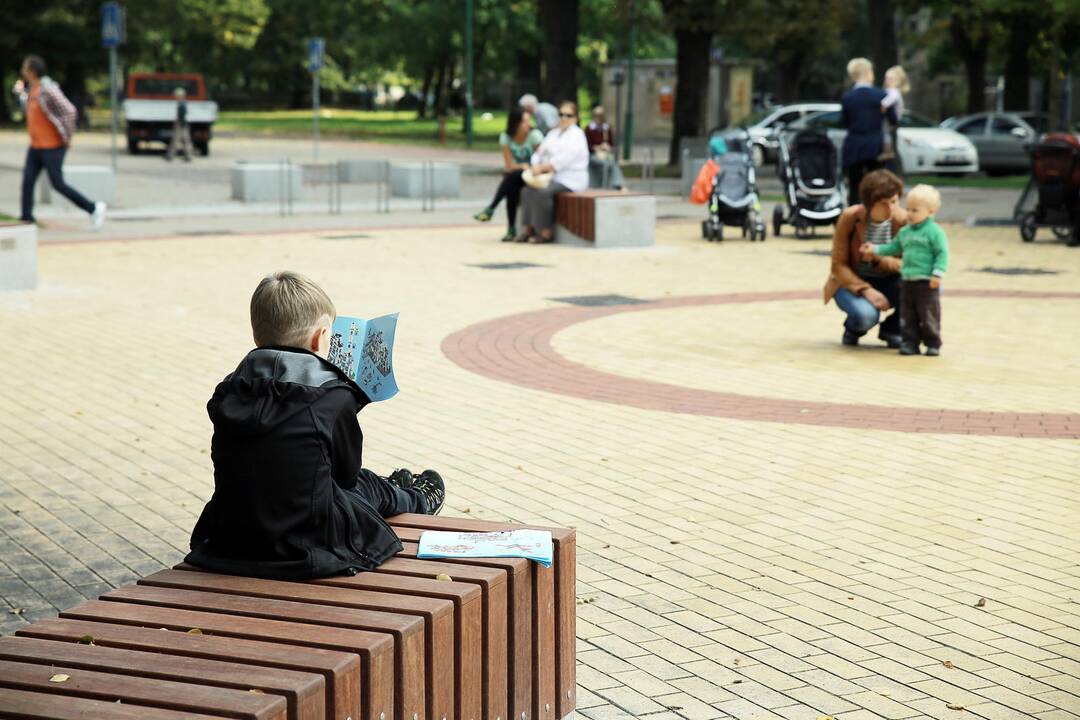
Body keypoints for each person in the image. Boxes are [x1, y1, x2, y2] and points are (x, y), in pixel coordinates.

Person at [186, 271, 446, 580]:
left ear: (258, 335)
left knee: (329, 480)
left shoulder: (230, 390)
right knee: (366, 484)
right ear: (320, 337)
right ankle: (417, 498)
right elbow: (346, 476)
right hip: (306, 545)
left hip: (235, 536)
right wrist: (349, 401)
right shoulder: (331, 398)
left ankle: (397, 488)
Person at [13, 55, 106, 230]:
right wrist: (20, 95)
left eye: (25, 68)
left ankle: (93, 208)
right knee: (28, 181)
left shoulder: (47, 89)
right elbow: (29, 113)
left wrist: (67, 137)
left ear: (32, 71)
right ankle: (27, 219)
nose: (22, 71)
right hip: (36, 146)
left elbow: (70, 112)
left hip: (53, 146)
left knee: (58, 184)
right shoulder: (32, 90)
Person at [861, 184, 949, 356]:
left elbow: (942, 254)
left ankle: (933, 343)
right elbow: (893, 248)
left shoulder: (935, 232)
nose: (909, 213)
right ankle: (910, 342)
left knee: (928, 314)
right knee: (908, 315)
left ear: (931, 211)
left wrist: (938, 273)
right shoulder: (905, 232)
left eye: (915, 210)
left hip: (926, 281)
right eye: (908, 209)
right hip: (907, 281)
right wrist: (875, 249)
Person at [823, 169, 907, 348]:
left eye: (894, 201)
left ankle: (893, 329)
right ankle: (854, 328)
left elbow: (910, 263)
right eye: (884, 203)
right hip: (852, 283)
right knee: (866, 316)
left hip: (890, 280)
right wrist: (866, 290)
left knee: (926, 286)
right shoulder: (850, 217)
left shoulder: (904, 221)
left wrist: (878, 258)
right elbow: (838, 266)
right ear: (869, 204)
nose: (891, 208)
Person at [516, 100, 590, 244]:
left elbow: (564, 160)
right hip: (549, 176)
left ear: (575, 118)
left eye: (568, 115)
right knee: (526, 191)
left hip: (570, 179)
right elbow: (539, 152)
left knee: (543, 192)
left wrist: (542, 168)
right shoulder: (553, 133)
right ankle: (528, 229)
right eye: (561, 114)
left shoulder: (577, 135)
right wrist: (536, 164)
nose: (563, 118)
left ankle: (545, 231)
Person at [473, 107, 544, 241]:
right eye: (524, 121)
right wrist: (522, 166)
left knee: (510, 178)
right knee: (512, 184)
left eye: (529, 121)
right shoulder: (506, 137)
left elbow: (542, 159)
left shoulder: (535, 135)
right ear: (515, 123)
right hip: (517, 175)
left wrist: (526, 167)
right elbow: (509, 165)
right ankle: (510, 228)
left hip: (534, 175)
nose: (527, 124)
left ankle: (492, 210)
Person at [840, 57, 898, 205]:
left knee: (854, 187)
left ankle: (855, 221)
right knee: (876, 186)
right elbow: (893, 119)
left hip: (853, 146)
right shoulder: (881, 95)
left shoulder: (848, 97)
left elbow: (844, 122)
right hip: (875, 147)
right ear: (868, 72)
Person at [584, 105, 625, 189]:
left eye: (600, 116)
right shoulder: (589, 129)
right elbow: (587, 146)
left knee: (611, 162)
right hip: (593, 154)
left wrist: (607, 147)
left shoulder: (606, 128)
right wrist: (597, 148)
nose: (598, 118)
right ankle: (616, 184)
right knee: (606, 164)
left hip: (605, 154)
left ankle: (617, 184)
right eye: (597, 116)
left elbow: (611, 144)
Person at [878, 65, 910, 163]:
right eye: (886, 78)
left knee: (885, 133)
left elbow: (885, 103)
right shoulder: (890, 91)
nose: (887, 80)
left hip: (892, 119)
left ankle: (888, 151)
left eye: (890, 79)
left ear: (898, 81)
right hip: (891, 119)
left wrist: (881, 106)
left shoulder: (894, 92)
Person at [165, 87, 194, 162]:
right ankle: (188, 155)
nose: (175, 97)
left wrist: (178, 123)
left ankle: (171, 155)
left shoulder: (181, 103)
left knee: (176, 139)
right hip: (183, 124)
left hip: (181, 124)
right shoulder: (183, 102)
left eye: (176, 95)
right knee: (185, 140)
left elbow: (181, 115)